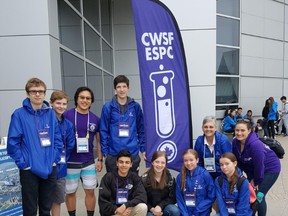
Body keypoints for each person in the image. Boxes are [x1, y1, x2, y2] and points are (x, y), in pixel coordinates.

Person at [7, 77, 63, 215]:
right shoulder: (19, 114)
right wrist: (24, 163)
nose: (37, 94)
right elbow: (13, 142)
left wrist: (54, 160)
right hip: (29, 169)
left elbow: (57, 139)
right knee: (30, 210)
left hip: (49, 168)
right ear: (27, 94)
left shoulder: (50, 113)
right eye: (34, 91)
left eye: (41, 91)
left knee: (46, 209)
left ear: (44, 94)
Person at [64, 86, 103, 216]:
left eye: (88, 98)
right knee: (70, 192)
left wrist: (100, 160)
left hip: (88, 162)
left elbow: (98, 141)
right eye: (82, 97)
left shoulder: (95, 119)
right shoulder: (67, 115)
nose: (85, 100)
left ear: (91, 101)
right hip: (70, 162)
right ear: (76, 99)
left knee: (90, 191)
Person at [232, 119, 281, 216]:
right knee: (256, 195)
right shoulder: (235, 142)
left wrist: (257, 181)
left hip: (270, 169)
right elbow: (238, 162)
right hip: (253, 170)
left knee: (258, 196)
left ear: (250, 130)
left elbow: (260, 165)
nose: (239, 133)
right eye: (237, 130)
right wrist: (237, 176)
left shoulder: (255, 145)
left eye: (242, 130)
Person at [99, 75, 145, 173]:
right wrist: (105, 152)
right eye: (119, 87)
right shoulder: (108, 107)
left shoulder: (135, 106)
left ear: (128, 88)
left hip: (132, 152)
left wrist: (143, 148)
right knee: (113, 184)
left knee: (132, 184)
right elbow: (103, 130)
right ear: (115, 89)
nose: (122, 90)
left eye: (124, 86)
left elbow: (141, 129)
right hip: (113, 153)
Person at [98, 150, 147, 216]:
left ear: (131, 164)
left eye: (127, 162)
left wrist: (125, 206)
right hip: (114, 213)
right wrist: (116, 210)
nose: (124, 165)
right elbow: (103, 202)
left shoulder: (134, 177)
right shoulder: (108, 177)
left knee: (142, 207)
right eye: (121, 162)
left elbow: (142, 196)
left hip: (128, 210)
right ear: (117, 163)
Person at [50, 90, 75, 216]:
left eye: (64, 104)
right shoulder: (45, 121)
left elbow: (70, 145)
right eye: (58, 103)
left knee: (57, 200)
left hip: (60, 169)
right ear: (51, 103)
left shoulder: (68, 124)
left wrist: (61, 159)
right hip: (44, 167)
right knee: (43, 200)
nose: (61, 106)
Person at [175, 149, 215, 216]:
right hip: (185, 213)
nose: (188, 163)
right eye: (186, 160)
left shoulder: (204, 174)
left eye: (191, 160)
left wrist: (197, 210)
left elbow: (211, 196)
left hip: (202, 212)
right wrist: (185, 214)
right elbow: (179, 198)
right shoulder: (180, 176)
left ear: (197, 160)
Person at [142, 151, 180, 216]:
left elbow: (172, 198)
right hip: (150, 210)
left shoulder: (170, 178)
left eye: (163, 163)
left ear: (165, 164)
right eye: (157, 162)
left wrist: (160, 206)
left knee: (174, 211)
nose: (159, 165)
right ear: (152, 162)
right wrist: (152, 209)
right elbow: (142, 198)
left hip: (164, 208)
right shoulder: (144, 179)